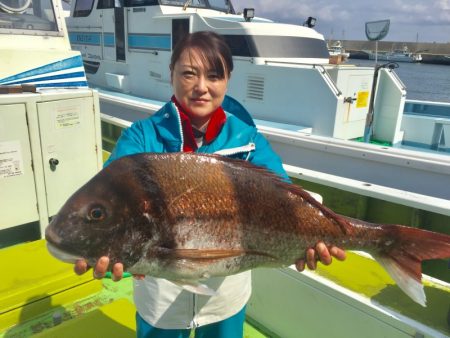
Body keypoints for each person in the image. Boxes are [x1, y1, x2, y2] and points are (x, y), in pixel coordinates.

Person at [74, 31, 346, 338]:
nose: (201, 87)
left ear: (228, 79)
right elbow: (111, 203)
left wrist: (314, 237)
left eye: (214, 76)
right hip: (160, 300)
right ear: (172, 75)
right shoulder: (141, 138)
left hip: (225, 298)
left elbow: (285, 203)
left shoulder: (249, 143)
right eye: (189, 74)